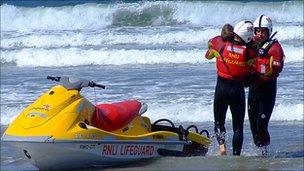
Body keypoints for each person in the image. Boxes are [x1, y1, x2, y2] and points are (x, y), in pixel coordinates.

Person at [205, 21, 256, 155]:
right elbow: (253, 66)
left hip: (221, 88)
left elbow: (208, 52)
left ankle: (222, 146)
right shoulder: (250, 52)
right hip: (238, 91)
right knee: (238, 128)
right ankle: (236, 155)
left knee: (218, 122)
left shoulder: (219, 43)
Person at [247, 15, 285, 155]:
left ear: (269, 31)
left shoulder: (275, 47)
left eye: (263, 31)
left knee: (261, 124)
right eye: (257, 31)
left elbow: (276, 67)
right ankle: (258, 150)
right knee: (252, 126)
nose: (259, 34)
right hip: (253, 90)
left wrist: (268, 70)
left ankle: (265, 153)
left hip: (267, 91)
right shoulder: (250, 46)